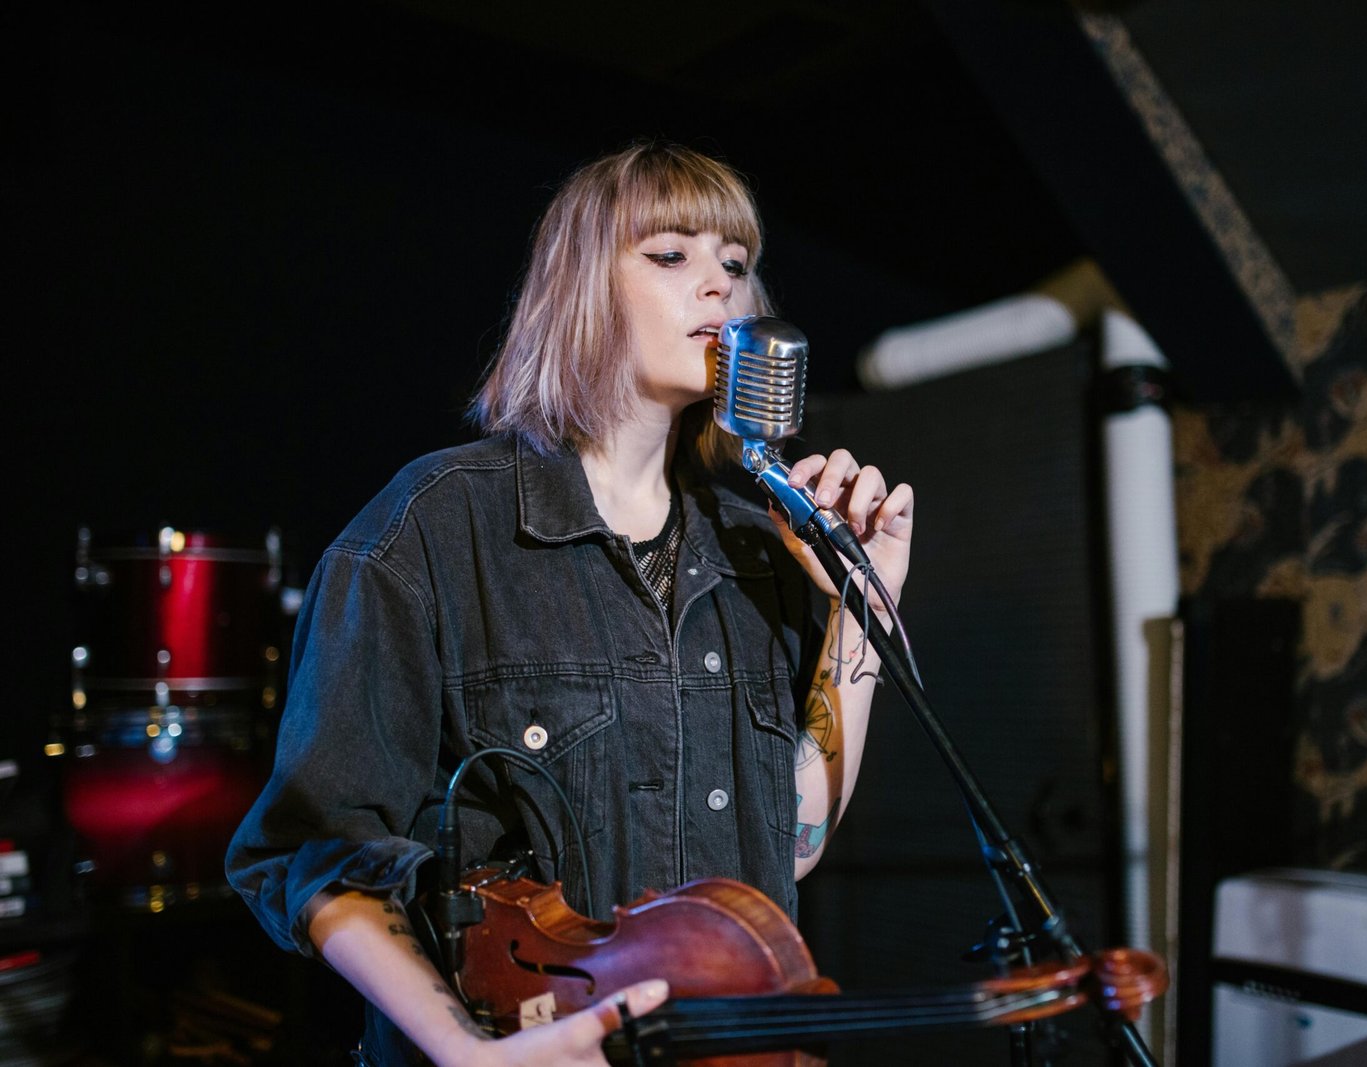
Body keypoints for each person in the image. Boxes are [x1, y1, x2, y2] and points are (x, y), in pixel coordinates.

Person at [225, 141, 913, 1066]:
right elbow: (314, 850)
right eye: (671, 254)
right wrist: (463, 1049)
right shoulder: (434, 526)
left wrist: (859, 608)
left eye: (736, 265)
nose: (719, 286)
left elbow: (785, 848)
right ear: (582, 287)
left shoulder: (758, 546)